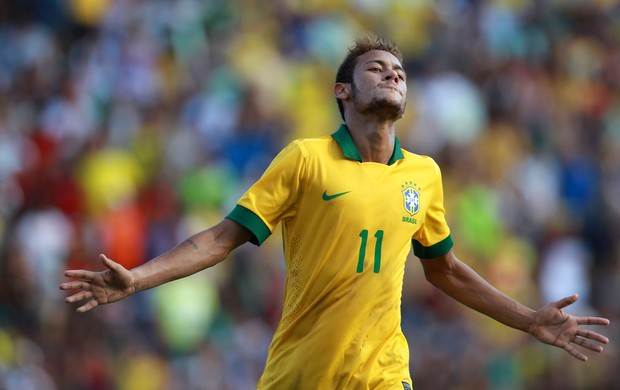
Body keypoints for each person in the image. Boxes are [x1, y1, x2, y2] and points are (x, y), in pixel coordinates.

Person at [60, 34, 610, 389]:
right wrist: (138, 279)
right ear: (342, 91)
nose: (393, 74)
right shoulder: (305, 160)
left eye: (398, 70)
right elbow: (222, 238)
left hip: (384, 375)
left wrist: (529, 319)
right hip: (300, 375)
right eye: (377, 68)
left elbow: (444, 270)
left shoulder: (425, 175)